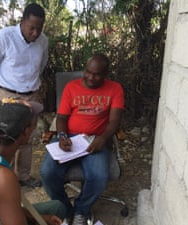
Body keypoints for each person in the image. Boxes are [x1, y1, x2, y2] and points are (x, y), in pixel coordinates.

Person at [40, 54, 125, 225]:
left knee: (99, 176)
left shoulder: (115, 89)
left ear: (106, 74)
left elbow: (115, 121)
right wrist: (62, 136)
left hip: (96, 139)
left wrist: (102, 139)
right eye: (88, 72)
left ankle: (81, 210)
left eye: (97, 74)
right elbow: (62, 118)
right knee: (47, 172)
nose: (90, 77)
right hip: (69, 138)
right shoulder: (72, 87)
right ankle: (65, 209)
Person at [0, 2, 48, 188]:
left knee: (27, 138)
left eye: (39, 29)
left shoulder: (43, 41)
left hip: (31, 95)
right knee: (6, 139)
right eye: (31, 28)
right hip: (8, 95)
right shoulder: (3, 37)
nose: (35, 33)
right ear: (22, 21)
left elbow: (41, 65)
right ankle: (3, 179)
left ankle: (23, 177)